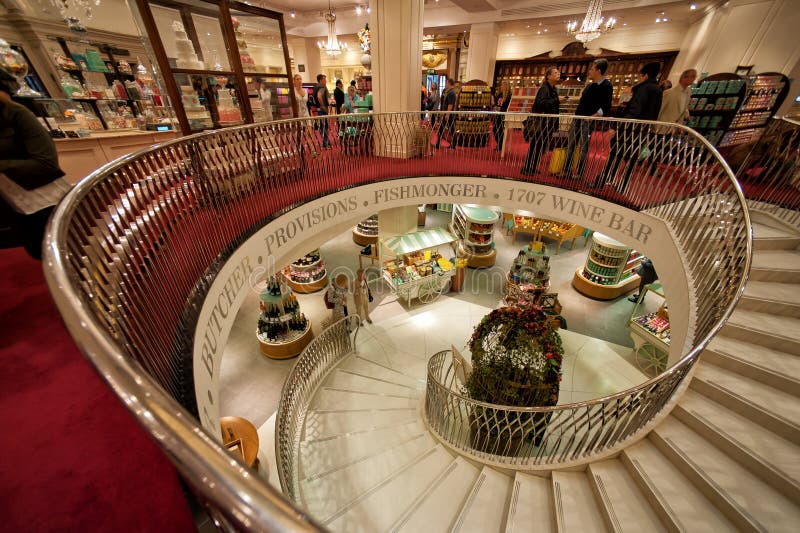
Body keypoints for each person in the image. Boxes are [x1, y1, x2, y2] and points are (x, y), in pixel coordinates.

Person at [0, 76, 68, 260]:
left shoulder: (17, 114)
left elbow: (46, 163)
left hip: (46, 198)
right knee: (40, 252)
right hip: (15, 201)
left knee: (65, 248)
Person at [597, 62, 663, 192]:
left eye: (640, 75)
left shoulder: (643, 88)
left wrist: (617, 126)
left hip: (629, 130)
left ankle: (603, 180)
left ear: (645, 75)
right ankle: (623, 185)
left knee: (615, 155)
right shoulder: (658, 90)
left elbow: (634, 111)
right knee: (632, 158)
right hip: (642, 130)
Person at [561, 59, 613, 180]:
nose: (589, 71)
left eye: (592, 69)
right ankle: (566, 170)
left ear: (598, 70)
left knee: (584, 147)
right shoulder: (590, 85)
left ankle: (579, 173)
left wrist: (593, 117)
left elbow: (606, 106)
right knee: (571, 145)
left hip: (588, 121)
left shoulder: (606, 86)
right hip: (578, 119)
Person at [521, 67, 566, 175]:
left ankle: (532, 167)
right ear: (549, 76)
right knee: (535, 146)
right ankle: (527, 168)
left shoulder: (553, 88)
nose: (558, 74)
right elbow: (540, 104)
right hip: (541, 124)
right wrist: (557, 101)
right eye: (555, 73)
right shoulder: (545, 89)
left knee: (540, 147)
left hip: (547, 124)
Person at [292, 73, 316, 157]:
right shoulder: (293, 91)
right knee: (298, 134)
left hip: (306, 114)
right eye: (297, 79)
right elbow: (291, 105)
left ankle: (313, 151)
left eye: (300, 79)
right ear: (294, 81)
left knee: (309, 133)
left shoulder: (305, 91)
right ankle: (298, 151)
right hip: (297, 116)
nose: (299, 81)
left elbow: (308, 104)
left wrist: (311, 114)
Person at [434, 78, 457, 150]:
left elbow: (450, 105)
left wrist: (447, 114)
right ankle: (439, 144)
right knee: (446, 129)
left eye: (446, 82)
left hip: (448, 114)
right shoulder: (449, 91)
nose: (446, 84)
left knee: (449, 129)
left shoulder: (451, 93)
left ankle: (451, 144)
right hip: (446, 113)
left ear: (449, 83)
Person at [492, 80, 512, 150]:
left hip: (503, 115)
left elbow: (508, 106)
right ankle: (499, 143)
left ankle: (500, 145)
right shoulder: (499, 94)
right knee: (494, 129)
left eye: (503, 85)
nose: (501, 86)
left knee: (500, 130)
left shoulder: (509, 96)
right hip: (497, 114)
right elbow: (496, 103)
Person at [314, 73, 331, 148]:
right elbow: (319, 96)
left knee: (323, 126)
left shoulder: (317, 87)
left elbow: (328, 94)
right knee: (324, 126)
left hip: (319, 109)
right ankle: (325, 143)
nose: (326, 81)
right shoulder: (321, 87)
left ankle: (326, 141)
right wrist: (323, 106)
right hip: (322, 109)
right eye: (324, 79)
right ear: (320, 80)